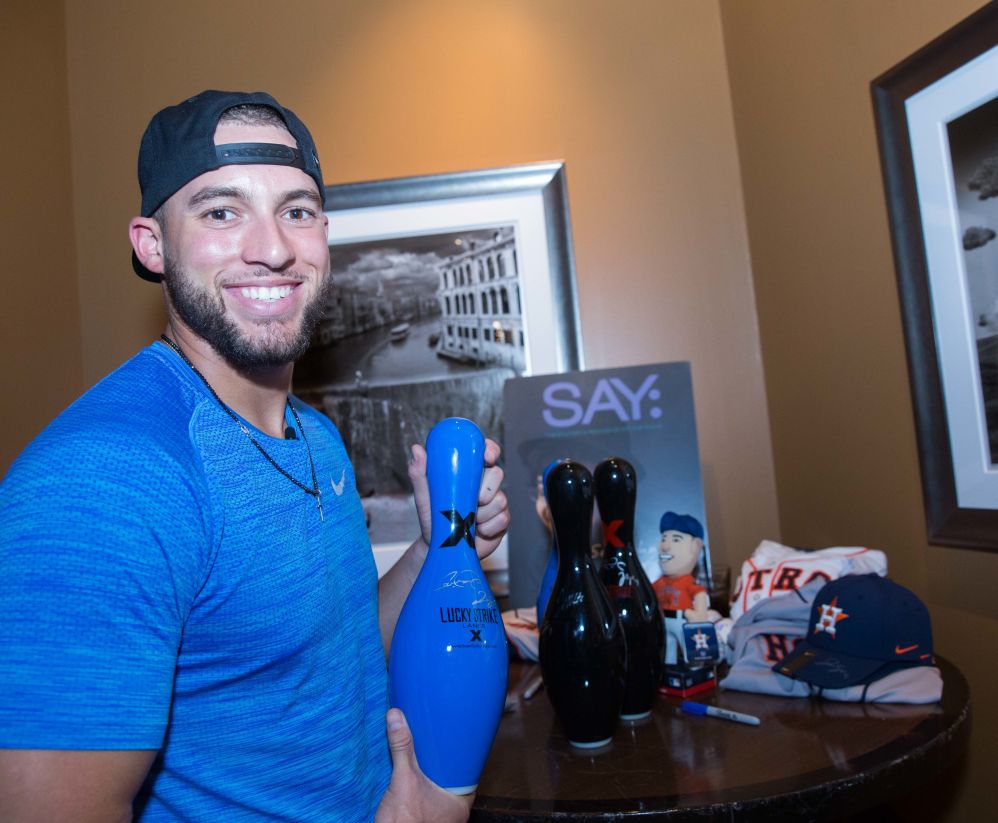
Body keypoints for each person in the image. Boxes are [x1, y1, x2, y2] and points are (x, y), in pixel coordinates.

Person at [0, 90, 509, 823]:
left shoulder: (313, 435)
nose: (272, 247)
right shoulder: (103, 483)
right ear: (151, 244)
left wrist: (433, 546)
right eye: (220, 211)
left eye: (297, 210)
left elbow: (334, 647)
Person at [653, 511, 710, 665]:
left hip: (683, 621)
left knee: (689, 649)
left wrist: (700, 617)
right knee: (667, 650)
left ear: (696, 546)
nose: (664, 545)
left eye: (676, 539)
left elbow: (700, 596)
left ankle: (695, 668)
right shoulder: (659, 583)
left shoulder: (688, 583)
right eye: (664, 538)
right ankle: (668, 668)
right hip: (664, 621)